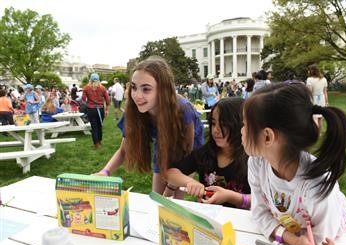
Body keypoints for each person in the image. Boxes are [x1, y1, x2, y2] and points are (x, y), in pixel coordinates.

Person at [241, 83, 346, 245]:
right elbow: (259, 213)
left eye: (245, 125)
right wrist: (290, 239)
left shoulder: (317, 188)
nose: (241, 131)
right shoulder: (258, 163)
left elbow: (320, 243)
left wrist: (297, 242)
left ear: (267, 137)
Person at [94, 56, 204, 196]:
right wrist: (105, 172)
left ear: (163, 90)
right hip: (162, 143)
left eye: (146, 89)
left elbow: (187, 154)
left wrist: (171, 186)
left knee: (175, 198)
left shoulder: (183, 110)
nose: (137, 96)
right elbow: (123, 151)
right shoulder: (133, 111)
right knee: (157, 197)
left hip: (187, 150)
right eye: (134, 87)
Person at [165, 97, 250, 209]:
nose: (216, 130)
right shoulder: (205, 153)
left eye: (223, 124)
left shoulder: (253, 159)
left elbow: (263, 201)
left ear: (240, 125)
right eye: (213, 123)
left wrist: (230, 196)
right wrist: (189, 182)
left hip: (241, 223)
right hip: (207, 220)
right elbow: (169, 172)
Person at [82, 73, 111, 149]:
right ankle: (99, 141)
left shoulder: (86, 88)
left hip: (91, 110)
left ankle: (96, 144)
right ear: (98, 80)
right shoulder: (103, 88)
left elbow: (83, 100)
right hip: (100, 110)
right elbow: (108, 100)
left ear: (90, 80)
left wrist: (87, 104)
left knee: (94, 127)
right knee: (99, 126)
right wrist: (107, 110)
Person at [306, 64, 329, 128]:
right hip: (322, 98)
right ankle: (319, 133)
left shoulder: (309, 79)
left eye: (309, 70)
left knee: (314, 117)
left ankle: (316, 133)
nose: (308, 71)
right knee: (320, 117)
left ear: (312, 71)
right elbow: (325, 92)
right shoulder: (324, 79)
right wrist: (326, 102)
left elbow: (309, 92)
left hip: (314, 99)